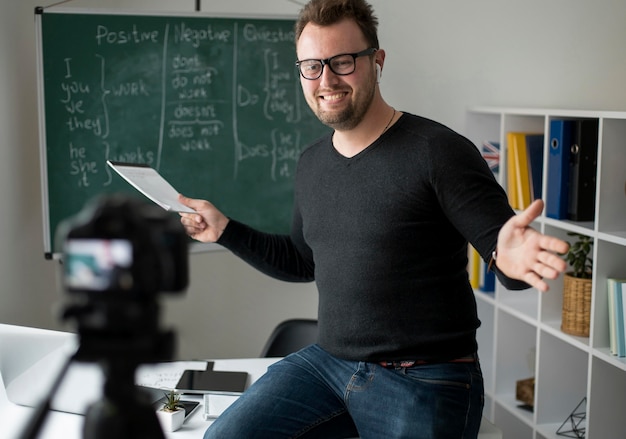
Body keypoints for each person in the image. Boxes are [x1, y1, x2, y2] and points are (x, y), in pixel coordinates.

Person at [178, 0, 569, 437]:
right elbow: (303, 260)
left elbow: (505, 252)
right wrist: (225, 231)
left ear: (377, 61)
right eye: (311, 66)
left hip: (424, 379)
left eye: (342, 62)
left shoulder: (437, 151)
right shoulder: (312, 163)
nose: (326, 80)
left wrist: (511, 258)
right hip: (327, 366)